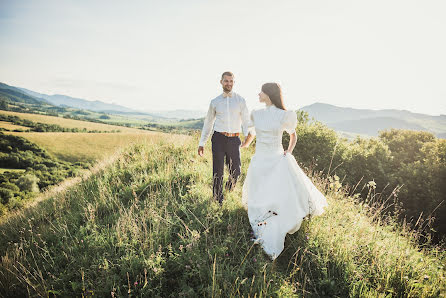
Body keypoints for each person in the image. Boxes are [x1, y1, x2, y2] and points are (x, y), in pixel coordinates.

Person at [241, 82, 328, 260]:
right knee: (266, 191)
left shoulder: (281, 115)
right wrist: (245, 145)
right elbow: (254, 133)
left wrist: (287, 152)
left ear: (269, 94)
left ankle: (268, 220)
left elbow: (291, 134)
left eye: (261, 91)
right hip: (264, 159)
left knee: (268, 191)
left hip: (271, 159)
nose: (258, 94)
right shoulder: (258, 114)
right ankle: (266, 218)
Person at [198, 71, 253, 204]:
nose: (229, 83)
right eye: (226, 81)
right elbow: (208, 123)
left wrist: (248, 137)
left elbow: (246, 120)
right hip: (218, 138)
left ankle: (228, 189)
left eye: (231, 81)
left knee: (236, 172)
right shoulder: (215, 102)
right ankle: (218, 200)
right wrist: (202, 143)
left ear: (234, 82)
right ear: (221, 82)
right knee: (218, 171)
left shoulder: (240, 100)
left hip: (234, 140)